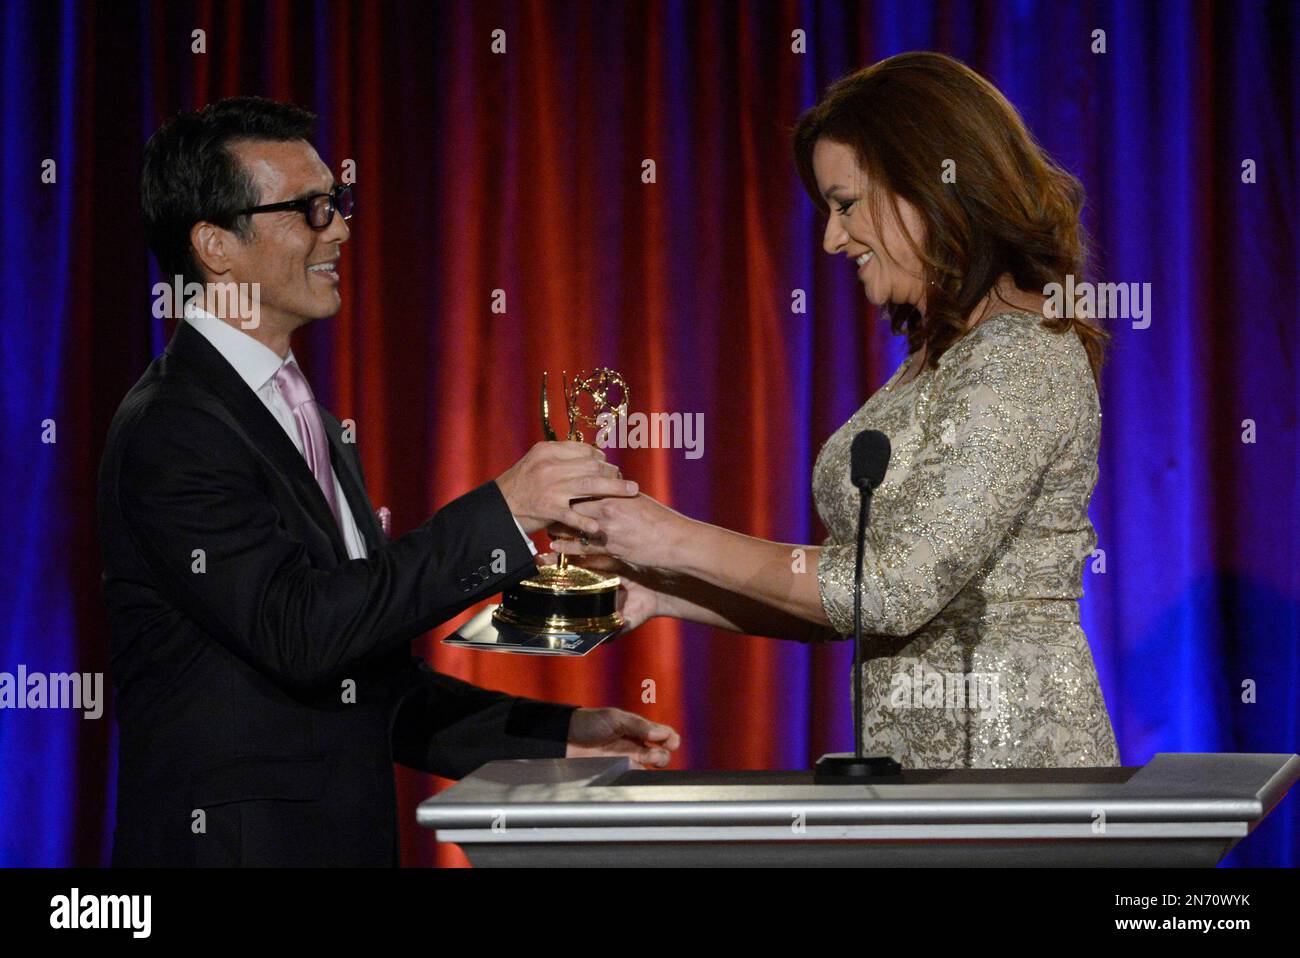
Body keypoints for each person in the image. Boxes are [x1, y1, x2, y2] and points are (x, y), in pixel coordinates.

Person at [98, 96, 678, 867]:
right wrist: (504, 509)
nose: (338, 226)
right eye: (308, 209)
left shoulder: (297, 412)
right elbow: (299, 632)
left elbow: (364, 679)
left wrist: (558, 735)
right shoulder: (175, 427)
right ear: (215, 245)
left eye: (335, 201)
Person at [549, 52, 1120, 770]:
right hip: (923, 781)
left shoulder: (1019, 356)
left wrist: (671, 537)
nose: (832, 238)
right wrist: (660, 591)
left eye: (846, 204)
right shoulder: (939, 361)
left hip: (1011, 772)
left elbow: (890, 588)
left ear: (930, 184)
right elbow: (844, 601)